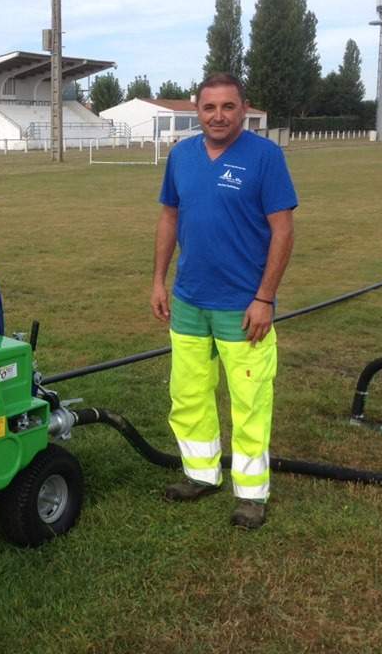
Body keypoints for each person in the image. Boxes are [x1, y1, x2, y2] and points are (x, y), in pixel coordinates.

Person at [151, 73, 297, 529]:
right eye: (209, 107)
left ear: (243, 109)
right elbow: (169, 217)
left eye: (227, 107)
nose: (218, 116)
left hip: (242, 304)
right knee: (189, 392)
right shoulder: (181, 156)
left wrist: (265, 298)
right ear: (197, 110)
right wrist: (158, 280)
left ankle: (251, 493)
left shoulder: (265, 157)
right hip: (190, 299)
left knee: (249, 397)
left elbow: (283, 230)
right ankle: (201, 474)